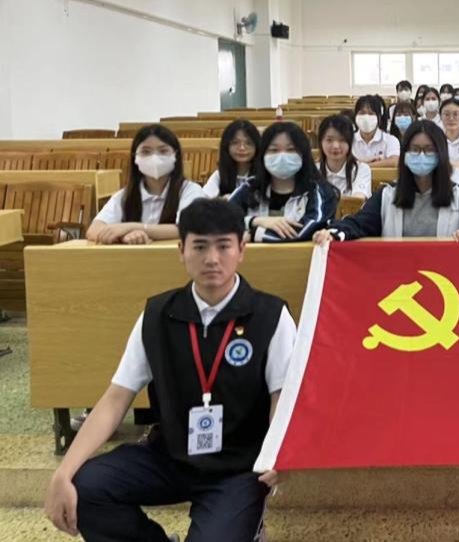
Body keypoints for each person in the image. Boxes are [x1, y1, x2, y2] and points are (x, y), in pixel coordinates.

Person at [44, 199, 296, 542]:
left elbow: (282, 398)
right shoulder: (158, 314)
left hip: (237, 469)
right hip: (170, 456)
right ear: (181, 250)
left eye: (223, 246)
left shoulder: (271, 315)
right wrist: (63, 472)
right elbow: (116, 399)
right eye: (200, 247)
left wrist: (279, 453)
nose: (212, 259)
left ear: (242, 250)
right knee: (85, 486)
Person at [313, 120, 459, 243]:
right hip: (397, 276)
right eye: (414, 150)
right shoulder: (387, 194)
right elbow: (358, 223)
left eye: (429, 150)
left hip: (443, 276)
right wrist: (332, 233)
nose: (421, 155)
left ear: (440, 154)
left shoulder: (456, 195)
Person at [87, 125, 205, 245]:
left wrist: (132, 227)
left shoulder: (190, 190)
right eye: (146, 152)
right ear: (135, 157)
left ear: (175, 155)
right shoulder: (125, 195)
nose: (155, 157)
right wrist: (124, 236)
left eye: (163, 151)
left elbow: (188, 228)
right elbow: (94, 230)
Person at [229, 121, 337, 243]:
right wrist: (255, 221)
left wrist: (254, 234)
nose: (282, 156)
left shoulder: (319, 191)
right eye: (274, 150)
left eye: (291, 149)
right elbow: (220, 219)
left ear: (303, 154)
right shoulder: (250, 187)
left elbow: (306, 230)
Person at [203, 119, 260, 198]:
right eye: (235, 143)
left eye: (248, 143)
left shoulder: (263, 174)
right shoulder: (220, 174)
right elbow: (204, 198)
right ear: (227, 146)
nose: (242, 148)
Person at [317, 115, 371, 199]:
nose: (335, 146)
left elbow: (357, 201)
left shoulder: (361, 169)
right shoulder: (313, 170)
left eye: (342, 140)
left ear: (350, 142)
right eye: (329, 140)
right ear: (321, 142)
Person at [351, 95, 399, 166]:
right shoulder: (349, 140)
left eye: (371, 113)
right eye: (362, 113)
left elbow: (394, 161)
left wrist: (362, 165)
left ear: (379, 118)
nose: (366, 117)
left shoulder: (390, 140)